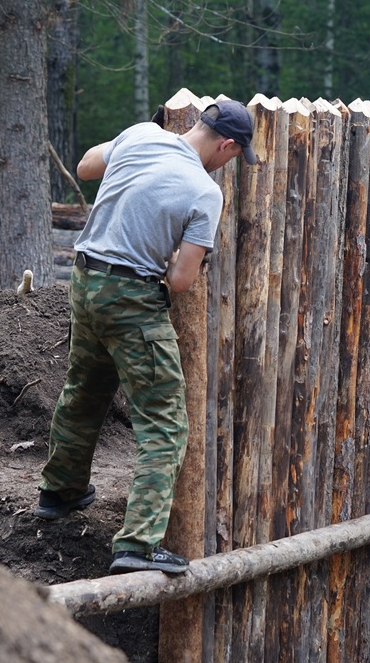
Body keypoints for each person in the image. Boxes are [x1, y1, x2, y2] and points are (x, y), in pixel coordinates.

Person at [33, 100, 258, 574]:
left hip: (83, 280)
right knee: (166, 423)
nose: (228, 164)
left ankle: (60, 491)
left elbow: (86, 165)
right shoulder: (204, 190)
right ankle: (137, 543)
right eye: (235, 156)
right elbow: (179, 280)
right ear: (227, 144)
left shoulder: (140, 135)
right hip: (132, 297)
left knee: (84, 389)